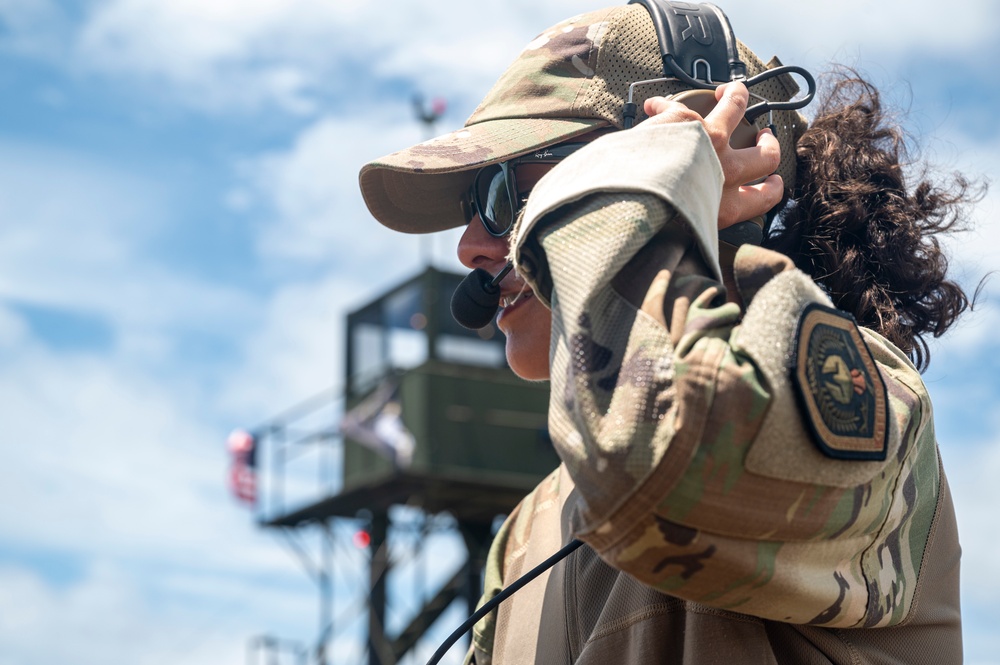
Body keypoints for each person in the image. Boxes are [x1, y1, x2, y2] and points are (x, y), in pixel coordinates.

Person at [359, 3, 976, 663]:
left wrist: (644, 199)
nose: (470, 246)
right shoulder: (524, 535)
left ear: (707, 155)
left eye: (502, 192)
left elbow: (661, 461)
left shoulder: (873, 403)